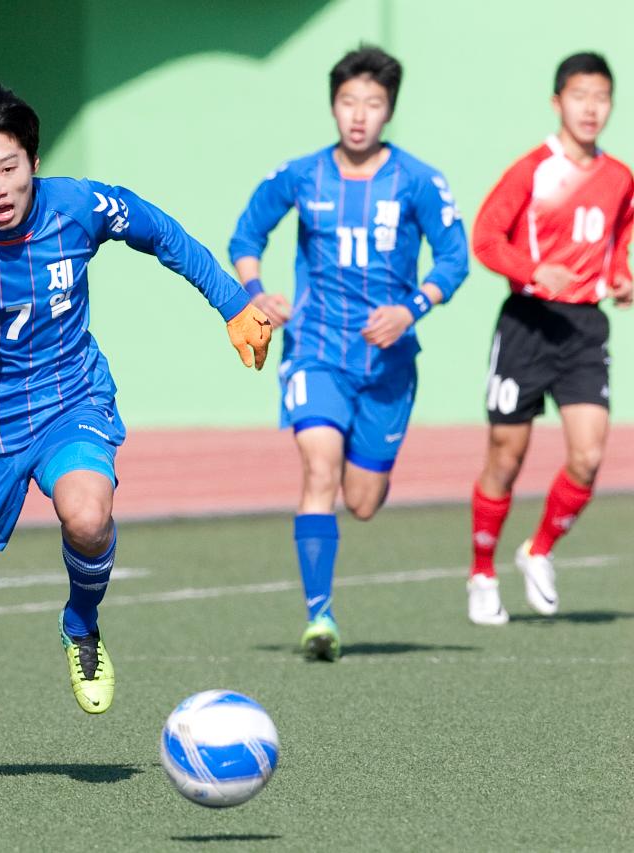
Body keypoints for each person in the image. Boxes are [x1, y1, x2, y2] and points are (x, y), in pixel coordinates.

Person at [0, 81, 272, 783]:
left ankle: (80, 623)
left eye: (8, 166)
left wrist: (233, 300)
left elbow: (158, 230)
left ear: (34, 158)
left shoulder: (76, 205)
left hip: (70, 398)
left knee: (87, 513)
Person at [229, 46, 469, 660]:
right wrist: (258, 295)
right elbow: (246, 235)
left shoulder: (417, 180)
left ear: (389, 110)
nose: (359, 115)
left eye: (373, 103)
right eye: (348, 102)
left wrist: (411, 308)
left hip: (388, 363)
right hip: (315, 350)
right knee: (318, 472)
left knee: (361, 501)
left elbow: (454, 258)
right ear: (333, 106)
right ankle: (320, 618)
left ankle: (369, 478)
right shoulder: (301, 175)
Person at [466, 52, 632, 625]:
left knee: (588, 456)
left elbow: (619, 243)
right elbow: (485, 240)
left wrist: (622, 278)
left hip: (585, 329)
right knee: (506, 458)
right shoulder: (532, 170)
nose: (591, 107)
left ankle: (538, 552)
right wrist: (536, 272)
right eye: (580, 95)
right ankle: (482, 573)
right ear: (557, 101)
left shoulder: (620, 177)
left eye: (602, 97)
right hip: (529, 324)